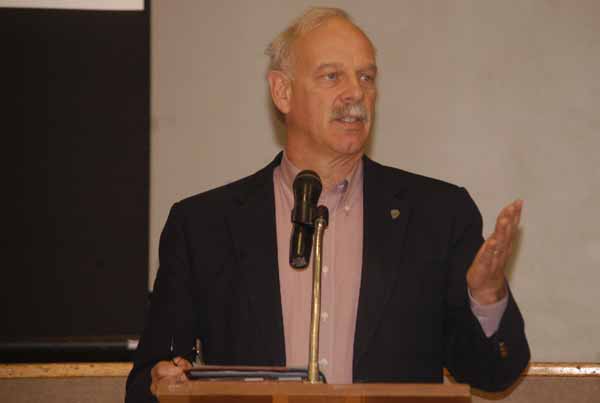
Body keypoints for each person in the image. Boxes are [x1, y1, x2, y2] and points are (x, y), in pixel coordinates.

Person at [125, 7, 529, 402]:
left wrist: (487, 296)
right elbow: (148, 376)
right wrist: (164, 382)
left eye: (366, 76)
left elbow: (490, 374)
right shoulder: (202, 226)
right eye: (332, 76)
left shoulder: (439, 216)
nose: (356, 93)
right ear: (282, 92)